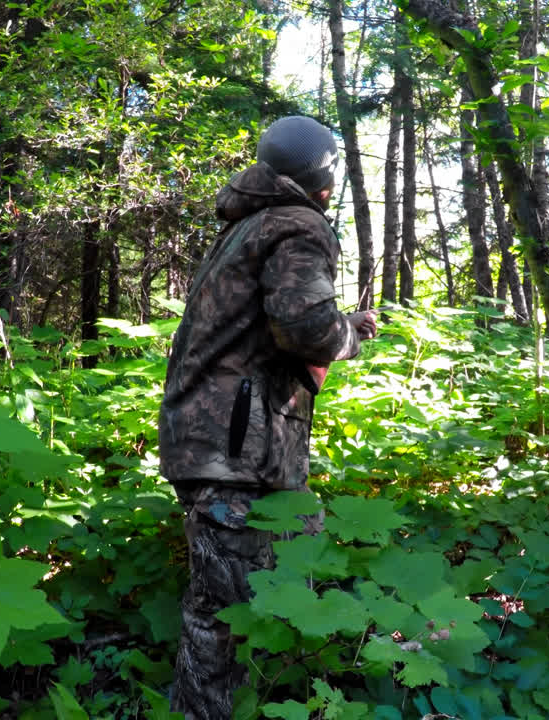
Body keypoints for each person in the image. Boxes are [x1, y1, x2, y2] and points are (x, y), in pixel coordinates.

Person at [158, 115, 377, 720]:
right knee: (220, 620)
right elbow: (303, 327)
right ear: (323, 177)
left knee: (268, 580)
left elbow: (270, 326)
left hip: (214, 442)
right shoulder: (301, 225)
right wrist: (349, 339)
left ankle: (291, 695)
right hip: (235, 453)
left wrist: (342, 328)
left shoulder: (249, 226)